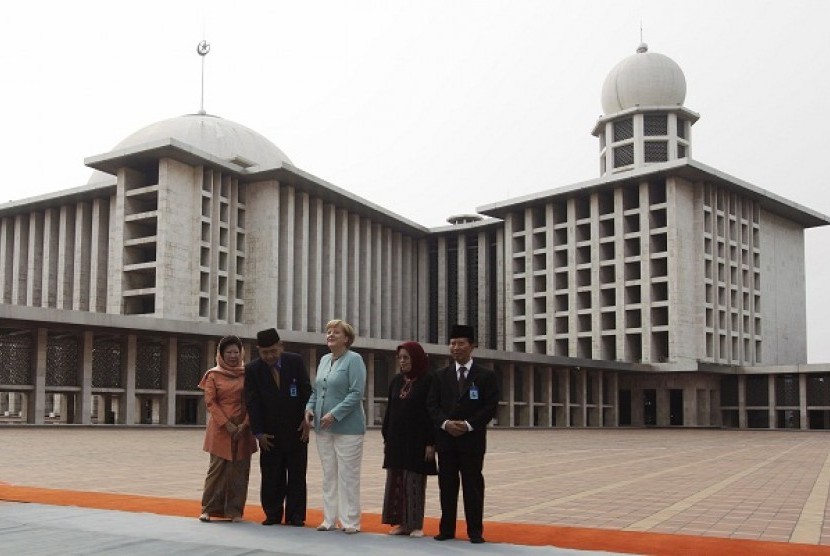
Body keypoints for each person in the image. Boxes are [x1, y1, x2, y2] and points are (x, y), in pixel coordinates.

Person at [426, 324, 499, 544]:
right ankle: (446, 528)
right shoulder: (440, 375)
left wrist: (467, 425)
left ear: (472, 346)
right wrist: (446, 423)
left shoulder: (486, 375)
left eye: (461, 343)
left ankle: (475, 531)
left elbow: (490, 407)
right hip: (446, 441)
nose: (455, 347)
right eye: (452, 343)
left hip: (472, 441)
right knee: (447, 486)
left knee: (473, 486)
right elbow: (431, 406)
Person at [305, 319, 367, 534]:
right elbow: (316, 390)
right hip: (323, 428)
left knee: (348, 475)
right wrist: (309, 409)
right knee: (329, 474)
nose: (330, 334)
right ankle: (329, 519)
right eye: (328, 331)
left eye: (336, 332)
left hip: (348, 429)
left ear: (347, 338)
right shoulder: (323, 360)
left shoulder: (354, 359)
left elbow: (356, 392)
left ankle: (350, 521)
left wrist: (335, 414)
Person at [245, 328, 312, 526]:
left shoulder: (295, 361)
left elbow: (306, 390)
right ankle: (273, 514)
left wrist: (306, 418)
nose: (270, 356)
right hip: (269, 433)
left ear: (280, 346)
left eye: (273, 351)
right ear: (259, 351)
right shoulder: (252, 369)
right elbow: (252, 401)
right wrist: (258, 432)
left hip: (297, 430)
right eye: (265, 352)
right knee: (271, 475)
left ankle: (296, 515)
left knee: (297, 474)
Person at [198, 334, 257, 522]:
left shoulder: (248, 374)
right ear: (221, 354)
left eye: (236, 352)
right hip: (220, 429)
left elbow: (253, 400)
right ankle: (208, 508)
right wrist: (227, 424)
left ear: (242, 353)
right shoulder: (213, 375)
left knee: (239, 470)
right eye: (228, 352)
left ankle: (235, 511)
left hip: (243, 429)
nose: (233, 355)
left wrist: (244, 423)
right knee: (217, 470)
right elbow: (210, 402)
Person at [381, 341, 437, 538]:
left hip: (417, 441)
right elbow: (390, 410)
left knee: (413, 481)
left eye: (406, 358)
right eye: (400, 358)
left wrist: (431, 442)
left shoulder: (428, 380)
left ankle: (414, 524)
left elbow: (431, 413)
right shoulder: (397, 381)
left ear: (417, 358)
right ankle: (401, 523)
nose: (402, 361)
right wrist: (386, 437)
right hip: (396, 440)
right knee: (396, 480)